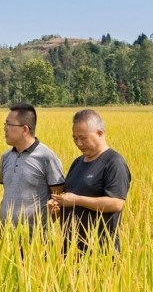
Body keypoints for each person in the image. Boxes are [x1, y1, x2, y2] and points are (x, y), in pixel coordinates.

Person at [49, 109, 131, 254]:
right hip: (70, 248)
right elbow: (70, 199)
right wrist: (57, 206)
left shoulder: (113, 162)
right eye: (75, 138)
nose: (79, 143)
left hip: (100, 250)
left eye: (83, 138)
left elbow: (116, 203)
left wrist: (77, 200)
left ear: (100, 134)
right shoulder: (78, 162)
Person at [0, 102, 65, 238]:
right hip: (6, 239)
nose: (5, 129)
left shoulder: (46, 157)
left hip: (36, 241)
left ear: (24, 129)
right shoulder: (5, 157)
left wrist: (42, 228)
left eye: (8, 124)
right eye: (4, 125)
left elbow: (59, 199)